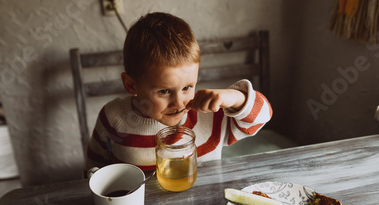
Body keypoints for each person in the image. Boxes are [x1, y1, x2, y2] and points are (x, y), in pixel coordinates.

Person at [87, 12, 272, 170]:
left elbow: (263, 116)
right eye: (165, 91)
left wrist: (233, 97)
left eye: (187, 87)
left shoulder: (210, 116)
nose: (179, 102)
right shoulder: (113, 118)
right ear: (131, 85)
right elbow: (94, 169)